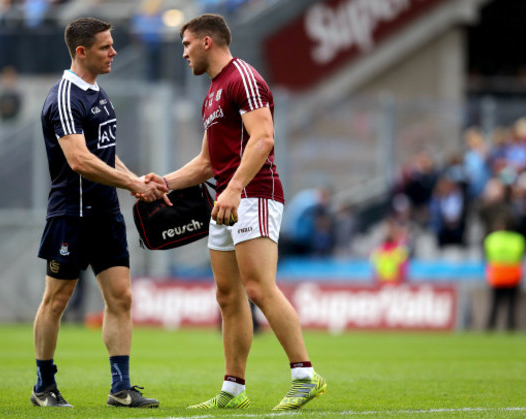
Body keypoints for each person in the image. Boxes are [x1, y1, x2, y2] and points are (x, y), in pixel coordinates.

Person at [142, 13, 326, 410]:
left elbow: (263, 139)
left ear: (207, 42)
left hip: (254, 194)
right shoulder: (212, 91)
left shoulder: (242, 77)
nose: (184, 53)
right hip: (228, 199)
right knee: (228, 295)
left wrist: (236, 187)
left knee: (259, 287)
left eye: (187, 44)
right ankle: (233, 388)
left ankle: (305, 375)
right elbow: (207, 163)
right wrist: (166, 183)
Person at [32, 17, 166, 409]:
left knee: (121, 297)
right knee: (56, 300)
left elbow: (104, 153)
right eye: (106, 46)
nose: (114, 52)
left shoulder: (98, 93)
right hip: (70, 215)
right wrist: (133, 185)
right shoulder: (63, 97)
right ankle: (43, 386)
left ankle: (121, 388)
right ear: (81, 51)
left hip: (106, 213)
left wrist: (136, 178)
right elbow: (78, 160)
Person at [484, 216, 525, 331]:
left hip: (498, 275)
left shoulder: (492, 239)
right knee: (511, 305)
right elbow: (520, 255)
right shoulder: (518, 239)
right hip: (513, 274)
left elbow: (488, 256)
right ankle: (510, 327)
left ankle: (490, 327)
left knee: (495, 304)